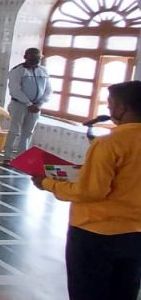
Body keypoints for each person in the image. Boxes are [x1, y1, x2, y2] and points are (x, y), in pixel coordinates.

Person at [32, 81, 141, 300]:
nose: (109, 108)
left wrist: (47, 183)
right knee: (124, 291)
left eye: (111, 104)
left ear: (122, 108)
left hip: (96, 231)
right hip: (135, 232)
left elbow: (90, 192)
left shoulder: (109, 143)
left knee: (88, 291)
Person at [4, 48, 53, 164]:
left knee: (28, 133)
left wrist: (40, 103)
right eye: (32, 59)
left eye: (37, 59)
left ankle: (21, 157)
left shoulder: (43, 71)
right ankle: (7, 157)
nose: (34, 61)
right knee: (15, 131)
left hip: (36, 107)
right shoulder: (17, 71)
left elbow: (48, 90)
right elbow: (15, 90)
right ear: (25, 57)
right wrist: (28, 104)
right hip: (19, 105)